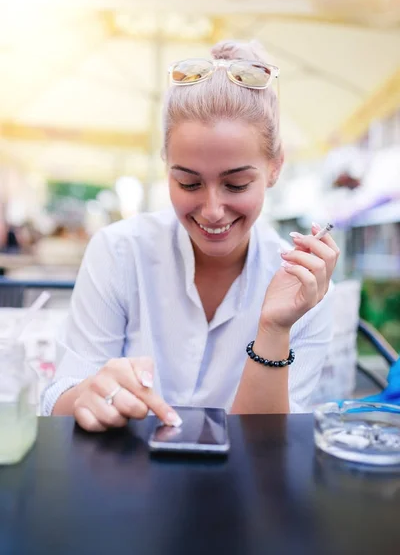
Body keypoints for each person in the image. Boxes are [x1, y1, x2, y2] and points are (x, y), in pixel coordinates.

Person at [42, 40, 340, 432]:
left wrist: (274, 328)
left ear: (275, 166)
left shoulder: (305, 290)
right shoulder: (119, 251)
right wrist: (90, 394)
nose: (212, 209)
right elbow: (60, 397)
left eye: (235, 185)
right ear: (167, 165)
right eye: (188, 182)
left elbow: (268, 445)